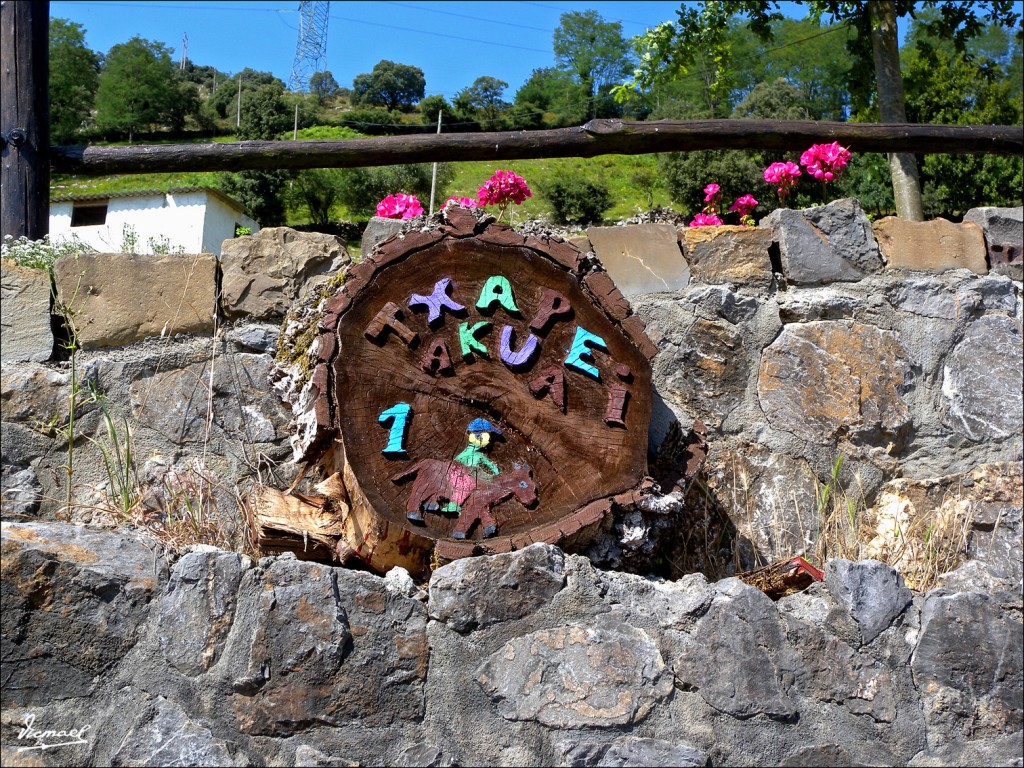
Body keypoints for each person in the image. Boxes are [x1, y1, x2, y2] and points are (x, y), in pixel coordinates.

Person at [442, 418, 502, 513]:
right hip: (461, 476)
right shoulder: (472, 454)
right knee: (465, 487)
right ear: (479, 437)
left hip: (465, 474)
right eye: (488, 437)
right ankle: (453, 506)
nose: (489, 442)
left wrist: (495, 472)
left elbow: (488, 465)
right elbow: (485, 465)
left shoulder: (475, 454)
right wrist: (495, 472)